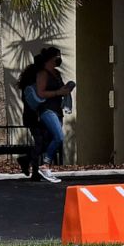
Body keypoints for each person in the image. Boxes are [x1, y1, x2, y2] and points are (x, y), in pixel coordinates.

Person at [17, 47, 74, 182]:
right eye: (57, 57)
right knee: (45, 140)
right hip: (40, 113)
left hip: (56, 109)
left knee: (46, 142)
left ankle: (28, 161)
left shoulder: (56, 74)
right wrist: (58, 93)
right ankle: (38, 168)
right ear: (49, 59)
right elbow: (40, 94)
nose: (59, 60)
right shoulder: (41, 74)